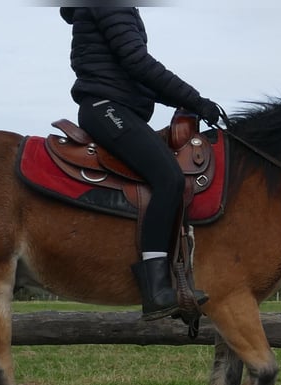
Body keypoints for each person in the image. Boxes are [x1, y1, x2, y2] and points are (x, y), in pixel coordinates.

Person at [60, 6, 221, 321]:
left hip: (119, 107)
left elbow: (138, 77)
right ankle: (157, 289)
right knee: (169, 178)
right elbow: (138, 63)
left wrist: (189, 101)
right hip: (107, 108)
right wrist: (194, 99)